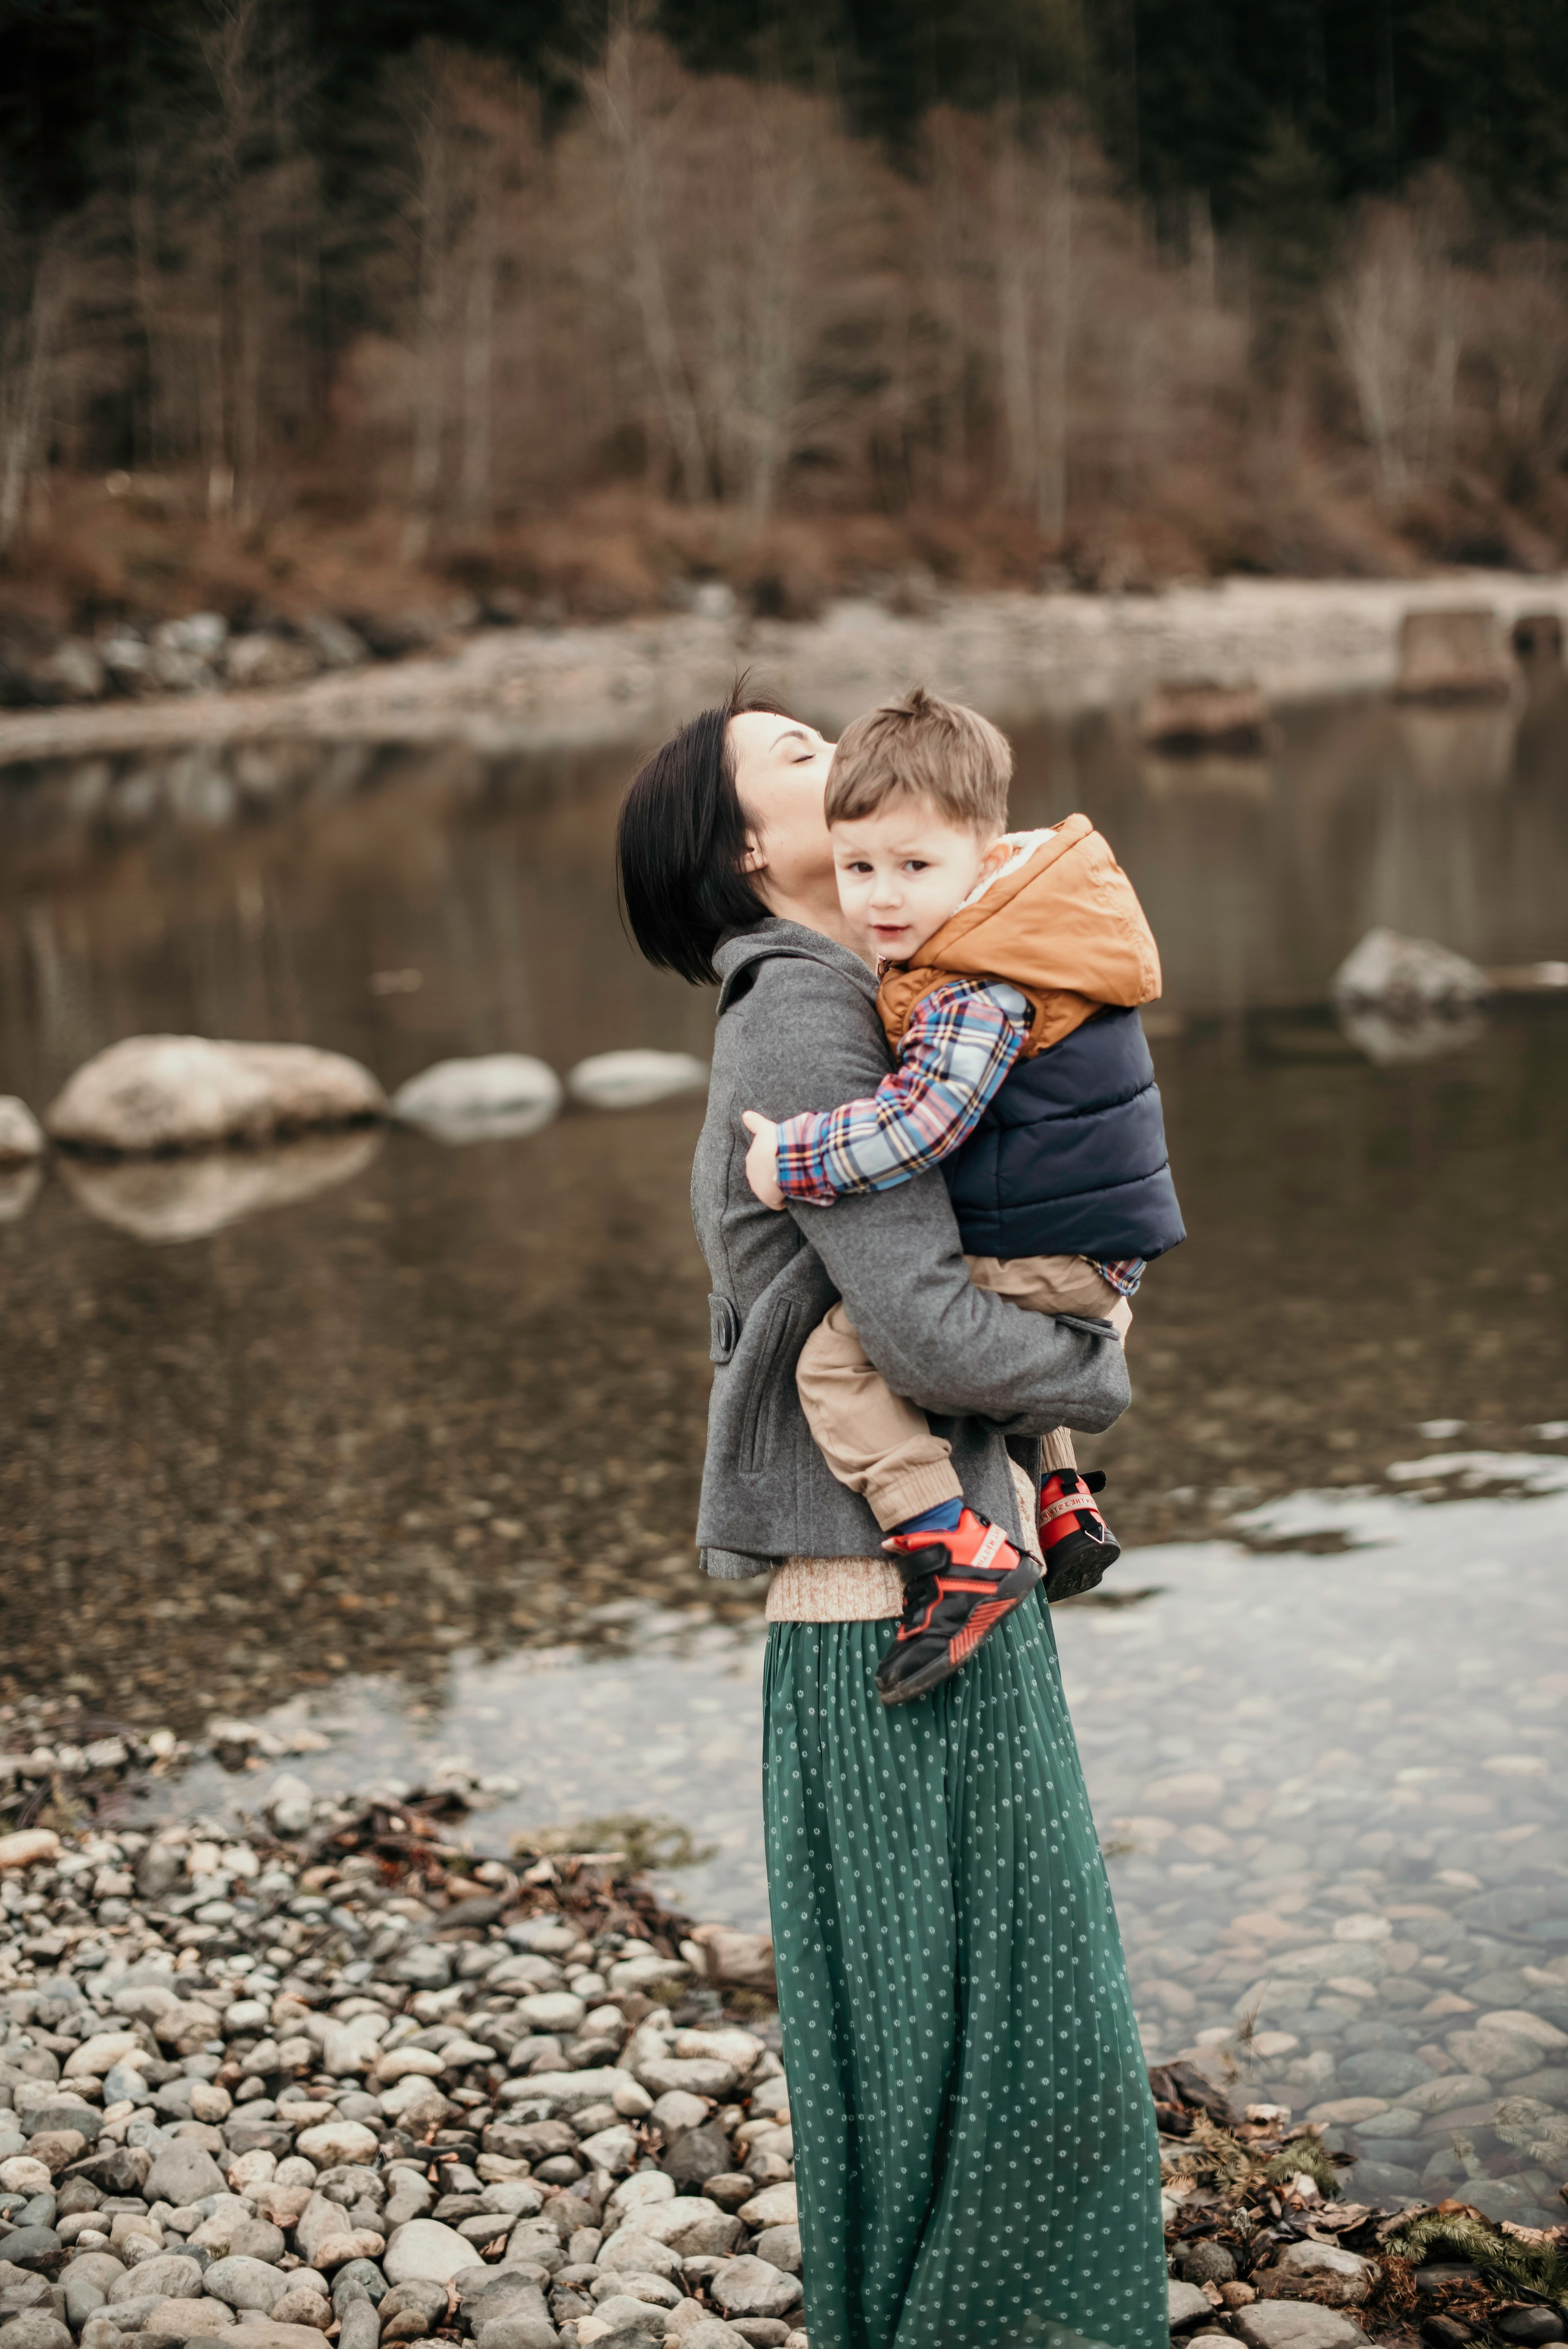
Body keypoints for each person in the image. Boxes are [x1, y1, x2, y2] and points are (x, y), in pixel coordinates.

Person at [616, 682, 1167, 2349]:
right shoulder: (806, 1015)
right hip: (891, 1588)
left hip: (924, 1566)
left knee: (985, 2008)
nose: (837, 751)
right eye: (795, 755)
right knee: (988, 2025)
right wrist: (1094, 1372)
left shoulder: (898, 986)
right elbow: (921, 1332)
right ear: (750, 852)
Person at [737, 688, 1183, 1705]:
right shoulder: (1020, 927)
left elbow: (919, 1126)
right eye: (859, 868)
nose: (881, 897)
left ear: (981, 856)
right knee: (978, 1277)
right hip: (1083, 1235)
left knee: (836, 1362)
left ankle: (953, 1544)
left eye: (913, 868)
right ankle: (1060, 1495)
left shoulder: (971, 984)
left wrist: (792, 1159)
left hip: (1057, 1243)